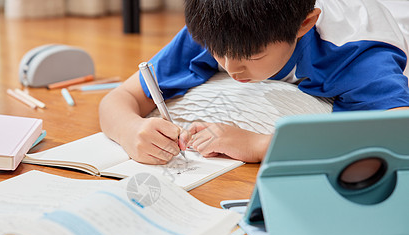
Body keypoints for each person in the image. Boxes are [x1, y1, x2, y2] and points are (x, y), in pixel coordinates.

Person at [99, 0, 409, 165]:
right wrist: (129, 130)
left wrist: (259, 145)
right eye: (218, 54)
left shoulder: (358, 54)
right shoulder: (218, 27)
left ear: (305, 24)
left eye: (254, 56)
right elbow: (121, 97)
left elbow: (397, 132)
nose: (230, 68)